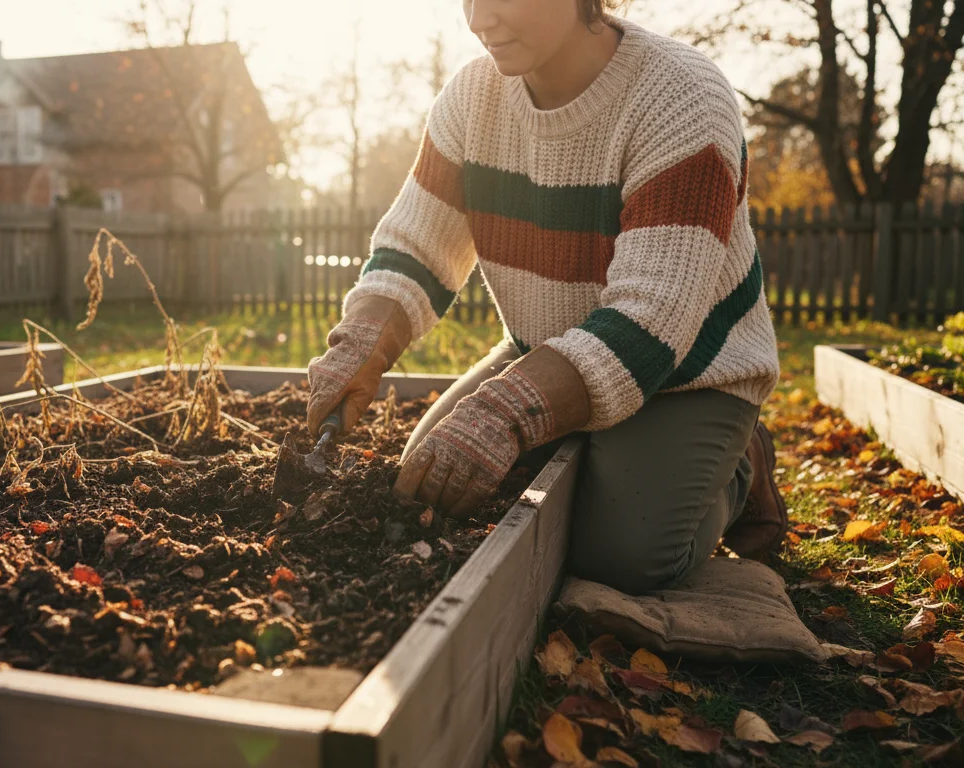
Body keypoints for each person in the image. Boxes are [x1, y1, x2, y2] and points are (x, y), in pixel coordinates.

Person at [305, 0, 786, 596]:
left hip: (686, 373)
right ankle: (589, 436)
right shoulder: (472, 97)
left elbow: (650, 323)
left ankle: (741, 466)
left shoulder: (681, 97)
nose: (479, 20)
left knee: (622, 555)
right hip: (544, 350)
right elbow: (417, 248)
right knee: (428, 480)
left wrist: (505, 411)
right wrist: (363, 343)